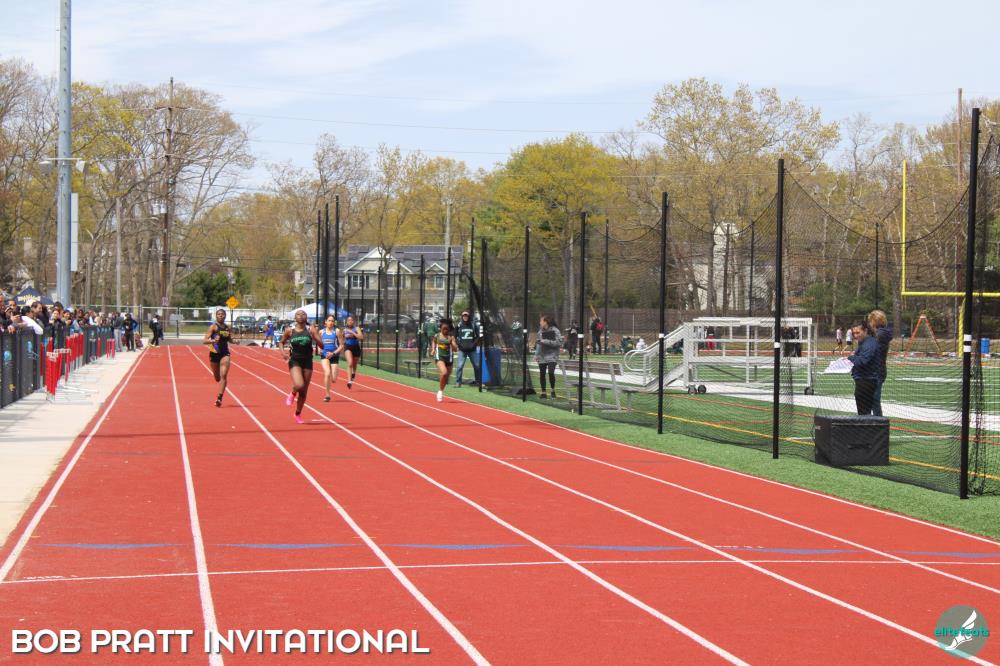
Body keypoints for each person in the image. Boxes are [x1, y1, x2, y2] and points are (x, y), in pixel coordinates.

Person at [280, 310, 323, 423]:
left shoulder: (310, 329)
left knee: (303, 392)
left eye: (303, 314)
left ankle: (297, 414)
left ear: (306, 317)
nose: (301, 316)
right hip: (294, 360)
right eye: (298, 314)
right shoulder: (290, 330)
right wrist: (283, 353)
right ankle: (293, 393)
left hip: (308, 361)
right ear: (295, 318)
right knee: (299, 385)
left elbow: (321, 344)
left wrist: (315, 335)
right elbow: (281, 342)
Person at [204, 309, 238, 407]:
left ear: (225, 316)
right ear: (216, 316)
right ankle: (220, 385)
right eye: (219, 314)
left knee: (223, 375)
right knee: (217, 377)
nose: (220, 316)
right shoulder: (213, 327)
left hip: (225, 353)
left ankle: (219, 398)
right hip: (214, 354)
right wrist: (213, 340)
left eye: (222, 314)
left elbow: (230, 339)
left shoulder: (227, 328)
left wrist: (234, 341)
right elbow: (204, 340)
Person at [847, 321, 879, 415]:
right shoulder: (864, 342)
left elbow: (862, 361)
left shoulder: (869, 344)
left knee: (864, 414)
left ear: (865, 331)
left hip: (866, 380)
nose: (855, 335)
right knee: (863, 413)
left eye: (858, 332)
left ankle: (866, 424)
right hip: (863, 379)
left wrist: (850, 358)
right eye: (854, 333)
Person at [868, 309, 893, 417]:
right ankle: (875, 421)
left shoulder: (880, 334)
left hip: (877, 371)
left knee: (874, 400)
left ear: (874, 321)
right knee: (871, 399)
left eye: (870, 321)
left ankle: (878, 422)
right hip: (875, 370)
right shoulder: (878, 334)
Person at [430, 317, 459, 402]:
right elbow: (433, 341)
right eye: (444, 328)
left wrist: (451, 343)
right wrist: (433, 349)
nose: (445, 330)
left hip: (449, 359)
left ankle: (440, 390)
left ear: (449, 329)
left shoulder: (451, 337)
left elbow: (455, 349)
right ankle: (440, 392)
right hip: (440, 357)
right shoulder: (437, 336)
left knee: (446, 377)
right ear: (441, 328)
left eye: (447, 329)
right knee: (444, 372)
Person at [534, 315, 563, 399]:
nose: (540, 322)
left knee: (551, 372)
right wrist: (536, 355)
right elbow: (539, 344)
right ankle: (543, 393)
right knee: (542, 374)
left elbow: (559, 343)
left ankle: (553, 390)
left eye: (541, 321)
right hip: (542, 355)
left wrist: (545, 341)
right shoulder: (540, 332)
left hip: (552, 355)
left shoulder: (555, 330)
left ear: (546, 322)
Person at [319, 314, 344, 402]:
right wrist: (319, 349)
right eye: (329, 320)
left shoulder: (337, 331)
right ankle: (327, 395)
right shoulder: (321, 332)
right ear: (325, 322)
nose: (331, 322)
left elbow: (341, 345)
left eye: (332, 321)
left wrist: (333, 353)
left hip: (334, 355)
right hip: (325, 355)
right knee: (327, 373)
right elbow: (318, 343)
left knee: (333, 379)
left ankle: (333, 373)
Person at [454, 310, 480, 387]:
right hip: (462, 350)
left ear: (469, 316)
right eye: (464, 315)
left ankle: (478, 381)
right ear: (462, 317)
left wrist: (474, 344)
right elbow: (455, 336)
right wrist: (459, 344)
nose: (465, 317)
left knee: (477, 365)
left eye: (466, 315)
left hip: (472, 350)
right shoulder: (459, 325)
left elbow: (478, 336)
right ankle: (458, 382)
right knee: (460, 366)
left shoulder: (473, 325)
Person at [341, 313, 364, 389]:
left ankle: (354, 372)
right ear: (346, 322)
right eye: (348, 320)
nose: (350, 321)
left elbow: (361, 337)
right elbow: (341, 339)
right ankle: (349, 381)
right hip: (348, 346)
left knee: (354, 363)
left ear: (353, 321)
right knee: (350, 363)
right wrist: (344, 337)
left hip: (356, 347)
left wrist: (353, 333)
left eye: (351, 320)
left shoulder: (357, 328)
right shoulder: (344, 329)